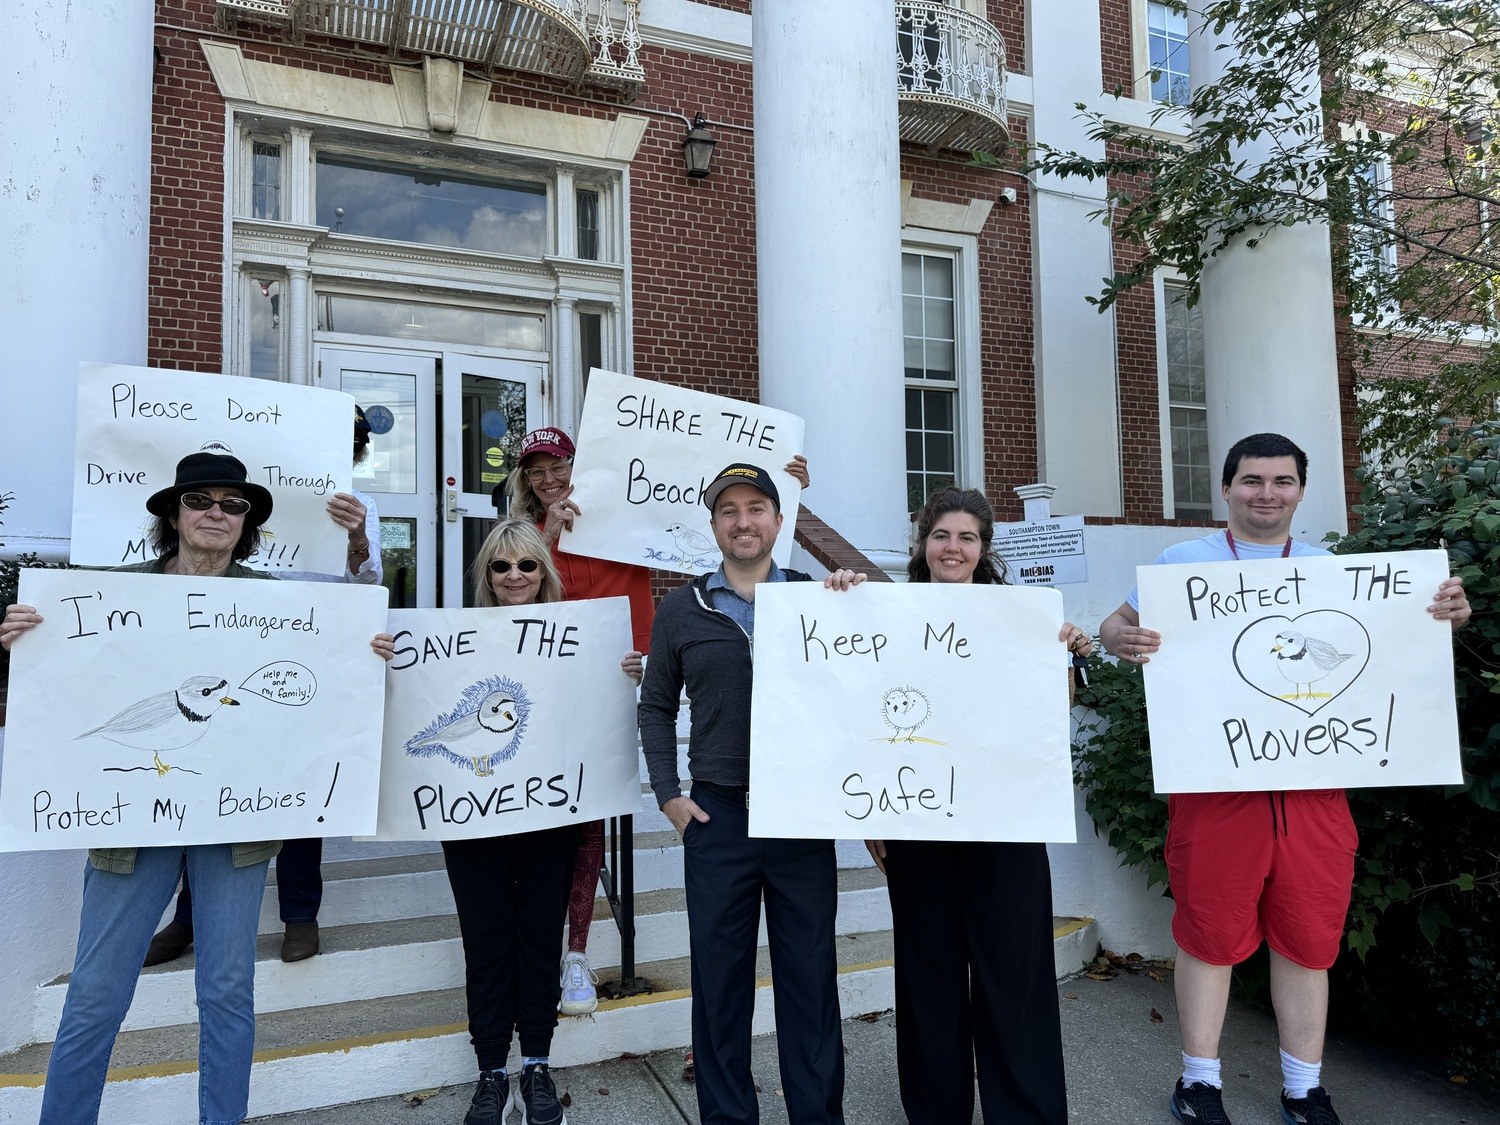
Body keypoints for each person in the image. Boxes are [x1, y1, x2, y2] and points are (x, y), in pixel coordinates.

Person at [1098, 433, 1471, 1125]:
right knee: (1208, 935)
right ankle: (1199, 1081)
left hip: (1315, 793)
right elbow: (1115, 623)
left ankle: (1304, 1087)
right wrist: (1123, 638)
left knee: (1308, 940)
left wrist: (1448, 613)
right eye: (1250, 480)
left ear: (1301, 488)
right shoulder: (1186, 564)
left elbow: (1398, 647)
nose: (1265, 493)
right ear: (1226, 487)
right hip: (1218, 790)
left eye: (1280, 480)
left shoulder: (1334, 569)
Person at [1, 452, 374, 1125]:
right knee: (95, 993)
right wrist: (24, 640)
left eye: (233, 506)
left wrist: (360, 654)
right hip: (131, 827)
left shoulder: (276, 602)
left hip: (233, 829)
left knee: (228, 991)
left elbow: (321, 675)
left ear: (247, 524)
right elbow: (65, 686)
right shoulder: (107, 594)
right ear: (172, 514)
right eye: (200, 500)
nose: (216, 514)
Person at [508, 427, 809, 1016]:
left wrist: (790, 489)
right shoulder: (527, 536)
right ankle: (551, 946)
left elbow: (738, 548)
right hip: (547, 687)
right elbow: (516, 592)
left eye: (559, 465)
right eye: (536, 470)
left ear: (582, 465)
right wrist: (546, 534)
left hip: (630, 674)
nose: (549, 478)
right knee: (549, 818)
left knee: (592, 812)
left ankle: (573, 952)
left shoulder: (629, 513)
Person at [371, 517, 640, 1125]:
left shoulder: (578, 637)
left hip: (550, 816)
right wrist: (385, 661)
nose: (514, 576)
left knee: (538, 936)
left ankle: (538, 1064)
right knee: (487, 939)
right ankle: (492, 1069)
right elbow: (409, 706)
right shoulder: (450, 639)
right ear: (485, 575)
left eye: (526, 565)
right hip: (471, 817)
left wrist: (626, 675)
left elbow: (599, 712)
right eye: (501, 566)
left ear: (543, 572)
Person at [638, 461, 860, 1125]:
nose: (743, 520)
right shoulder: (682, 608)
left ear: (777, 520)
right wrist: (668, 794)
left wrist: (856, 595)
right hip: (719, 816)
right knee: (720, 986)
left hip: (799, 818)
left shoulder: (815, 597)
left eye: (755, 507)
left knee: (810, 981)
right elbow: (654, 706)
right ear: (713, 525)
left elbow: (868, 683)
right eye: (728, 509)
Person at [864, 486, 1083, 1125]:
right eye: (941, 535)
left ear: (983, 549)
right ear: (922, 544)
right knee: (928, 979)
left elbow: (1053, 712)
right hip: (915, 820)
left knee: (1016, 977)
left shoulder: (1021, 617)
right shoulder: (884, 616)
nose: (952, 548)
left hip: (1005, 824)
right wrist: (871, 814)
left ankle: (1026, 1114)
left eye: (966, 537)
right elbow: (860, 715)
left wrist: (1064, 654)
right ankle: (938, 1112)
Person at [145, 406, 385, 966]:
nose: (340, 447)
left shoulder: (361, 507)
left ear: (356, 451)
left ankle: (300, 915)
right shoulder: (242, 500)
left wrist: (354, 539)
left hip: (307, 652)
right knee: (213, 778)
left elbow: (365, 583)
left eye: (349, 440)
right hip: (234, 647)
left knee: (296, 780)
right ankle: (188, 916)